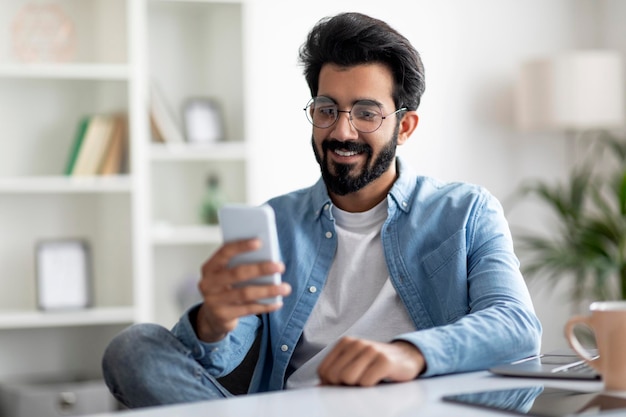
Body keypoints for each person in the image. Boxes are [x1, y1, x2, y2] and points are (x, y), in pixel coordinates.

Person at [102, 11, 542, 408]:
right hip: (299, 407)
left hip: (414, 407)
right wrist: (213, 321)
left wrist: (409, 354)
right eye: (327, 110)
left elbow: (516, 325)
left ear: (404, 126)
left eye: (367, 113)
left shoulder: (466, 211)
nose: (341, 131)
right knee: (134, 348)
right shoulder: (275, 222)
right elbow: (222, 358)